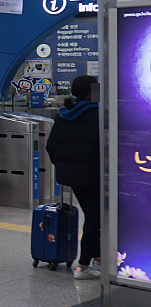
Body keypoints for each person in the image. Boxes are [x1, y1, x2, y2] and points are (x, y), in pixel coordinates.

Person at [44, 75, 100, 279]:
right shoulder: (98, 115)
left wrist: (65, 166)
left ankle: (98, 257)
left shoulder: (64, 115)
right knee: (94, 219)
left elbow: (51, 146)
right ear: (92, 92)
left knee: (92, 215)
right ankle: (83, 266)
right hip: (95, 177)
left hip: (73, 178)